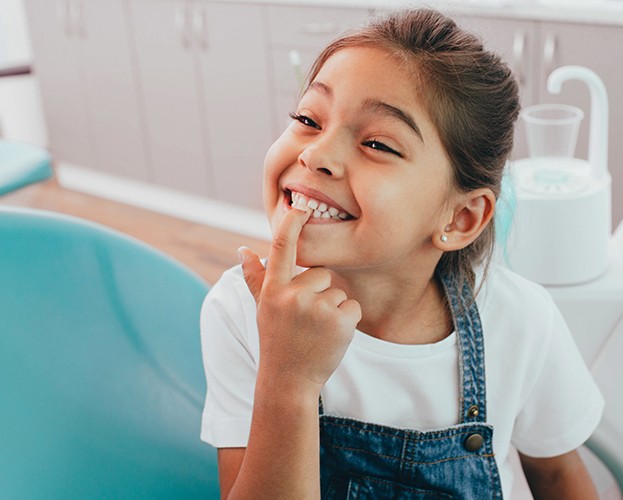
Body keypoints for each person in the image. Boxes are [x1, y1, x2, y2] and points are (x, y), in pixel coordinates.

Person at [200, 8, 604, 499]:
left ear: (459, 220)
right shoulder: (241, 309)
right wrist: (288, 380)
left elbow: (560, 477)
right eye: (308, 119)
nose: (315, 155)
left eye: (376, 143)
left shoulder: (522, 322)